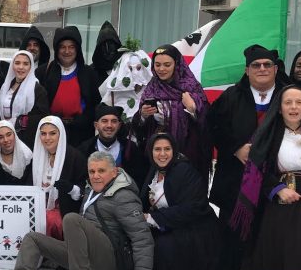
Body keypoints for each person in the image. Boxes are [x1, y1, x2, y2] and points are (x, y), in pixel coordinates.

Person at [0, 151, 154, 270]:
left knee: (71, 219)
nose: (95, 175)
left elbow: (142, 239)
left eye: (101, 171)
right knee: (33, 238)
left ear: (114, 172)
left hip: (107, 261)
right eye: (92, 171)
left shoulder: (123, 196)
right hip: (84, 257)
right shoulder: (91, 189)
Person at [230, 86, 301, 270]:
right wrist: (278, 189)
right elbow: (256, 169)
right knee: (284, 248)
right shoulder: (268, 134)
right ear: (279, 108)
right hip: (279, 200)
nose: (293, 107)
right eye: (288, 102)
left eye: (298, 103)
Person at [209, 44, 284, 270]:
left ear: (275, 69)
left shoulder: (288, 97)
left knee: (268, 232)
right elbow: (213, 126)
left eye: (266, 65)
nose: (261, 69)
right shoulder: (231, 96)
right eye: (256, 65)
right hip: (235, 179)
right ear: (247, 70)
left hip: (275, 179)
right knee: (233, 232)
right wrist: (236, 148)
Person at [140, 133, 221, 270]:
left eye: (167, 149)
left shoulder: (184, 171)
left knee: (164, 246)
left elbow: (193, 207)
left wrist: (153, 218)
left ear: (174, 151)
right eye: (158, 149)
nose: (162, 154)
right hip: (171, 223)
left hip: (196, 230)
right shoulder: (154, 171)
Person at [132, 44, 210, 178]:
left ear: (177, 64)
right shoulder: (152, 88)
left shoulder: (191, 88)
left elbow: (208, 122)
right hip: (157, 155)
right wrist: (143, 115)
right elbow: (139, 128)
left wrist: (192, 110)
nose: (161, 69)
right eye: (157, 65)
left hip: (187, 152)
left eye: (167, 65)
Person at [43, 26, 101, 147]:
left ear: (77, 49)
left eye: (71, 47)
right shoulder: (45, 72)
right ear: (57, 49)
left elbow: (96, 103)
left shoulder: (88, 73)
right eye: (63, 47)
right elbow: (40, 103)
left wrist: (83, 119)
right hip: (53, 131)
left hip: (80, 134)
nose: (67, 51)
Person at [31, 116, 88, 239]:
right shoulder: (36, 156)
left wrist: (72, 189)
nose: (47, 138)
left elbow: (85, 187)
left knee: (49, 221)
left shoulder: (75, 157)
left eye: (52, 133)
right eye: (43, 134)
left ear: (60, 134)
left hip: (64, 210)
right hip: (38, 207)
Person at [78, 103, 148, 185]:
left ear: (119, 125)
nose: (109, 125)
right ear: (96, 125)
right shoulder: (85, 149)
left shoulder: (130, 148)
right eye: (104, 121)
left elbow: (139, 179)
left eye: (114, 121)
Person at [0, 50, 49, 149]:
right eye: (17, 63)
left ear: (31, 67)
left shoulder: (37, 89)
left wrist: (18, 121)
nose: (21, 67)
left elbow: (42, 117)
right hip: (4, 137)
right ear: (12, 66)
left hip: (26, 140)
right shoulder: (5, 86)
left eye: (25, 64)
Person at [99, 47, 153, 120]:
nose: (134, 73)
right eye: (130, 69)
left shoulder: (152, 88)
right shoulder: (114, 90)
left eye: (138, 68)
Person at [89, 21, 122, 85]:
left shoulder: (125, 67)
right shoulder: (91, 72)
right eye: (104, 45)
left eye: (111, 44)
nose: (108, 50)